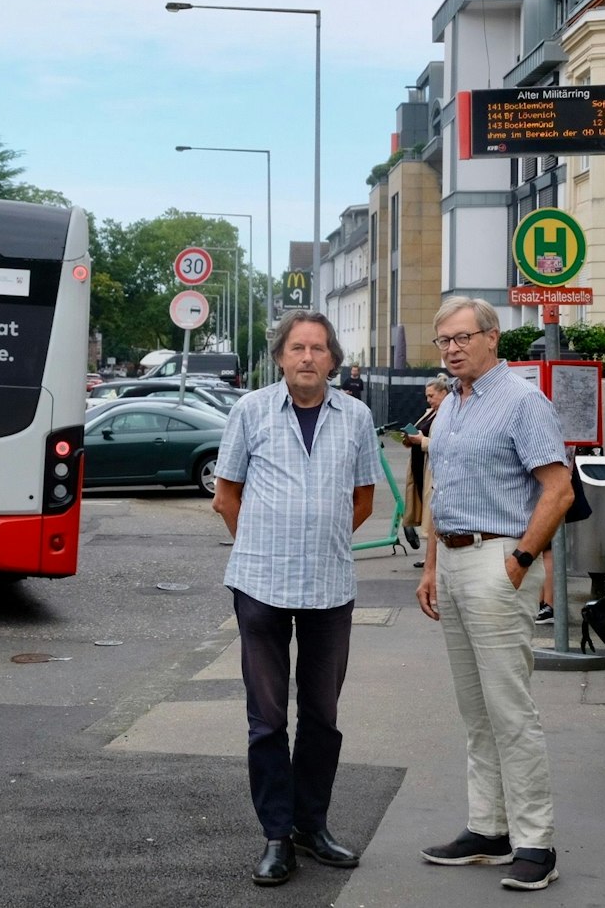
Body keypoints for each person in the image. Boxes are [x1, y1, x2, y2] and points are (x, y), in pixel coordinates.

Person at [212, 311, 377, 887]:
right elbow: (226, 494)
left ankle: (313, 825)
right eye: (297, 348)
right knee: (266, 720)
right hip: (260, 585)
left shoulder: (356, 416)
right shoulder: (250, 411)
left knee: (323, 718)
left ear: (333, 358)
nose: (308, 357)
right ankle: (276, 837)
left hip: (330, 588)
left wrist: (318, 540)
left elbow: (362, 499)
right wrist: (262, 543)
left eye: (318, 348)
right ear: (280, 356)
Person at [415, 297, 571, 893]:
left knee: (510, 709)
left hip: (497, 558)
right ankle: (489, 828)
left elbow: (556, 491)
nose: (452, 348)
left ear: (492, 337)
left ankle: (536, 842)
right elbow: (442, 491)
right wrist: (430, 567)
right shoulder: (451, 406)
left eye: (461, 337)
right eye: (443, 340)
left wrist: (520, 561)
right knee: (474, 708)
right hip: (452, 560)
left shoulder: (523, 402)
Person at [400, 374, 451, 568]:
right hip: (420, 467)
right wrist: (408, 437)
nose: (429, 400)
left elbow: (444, 444)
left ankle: (434, 558)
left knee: (432, 515)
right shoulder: (430, 412)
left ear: (443, 394)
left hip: (432, 470)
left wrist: (421, 441)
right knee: (424, 511)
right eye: (427, 396)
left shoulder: (447, 414)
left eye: (432, 396)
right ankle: (430, 556)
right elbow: (420, 431)